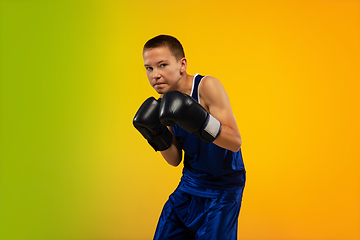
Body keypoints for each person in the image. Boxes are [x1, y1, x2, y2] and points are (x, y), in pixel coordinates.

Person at [133, 35, 245, 240]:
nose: (155, 75)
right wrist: (156, 135)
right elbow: (175, 159)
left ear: (182, 64)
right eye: (149, 68)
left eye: (162, 65)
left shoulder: (206, 87)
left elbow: (235, 141)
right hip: (190, 185)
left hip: (223, 189)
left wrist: (200, 121)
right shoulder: (166, 103)